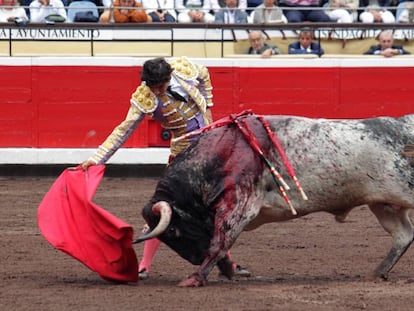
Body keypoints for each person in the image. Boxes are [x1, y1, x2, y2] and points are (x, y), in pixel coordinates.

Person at [79, 56, 251, 280]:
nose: (159, 92)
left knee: (216, 205)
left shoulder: (182, 69)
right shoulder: (145, 97)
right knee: (164, 206)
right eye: (154, 87)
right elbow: (122, 131)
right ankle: (144, 265)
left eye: (162, 86)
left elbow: (205, 74)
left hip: (210, 144)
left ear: (169, 77)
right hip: (184, 151)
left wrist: (208, 106)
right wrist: (97, 159)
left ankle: (229, 264)